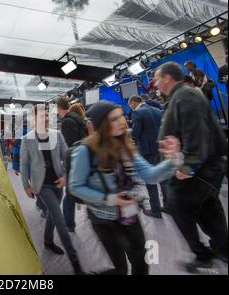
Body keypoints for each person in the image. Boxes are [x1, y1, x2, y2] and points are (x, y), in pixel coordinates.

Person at [68, 101, 182, 275]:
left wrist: (173, 160)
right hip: (104, 219)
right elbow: (75, 187)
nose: (122, 121)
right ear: (102, 125)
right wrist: (111, 199)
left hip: (130, 215)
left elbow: (150, 174)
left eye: (122, 115)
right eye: (114, 119)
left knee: (142, 264)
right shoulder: (85, 151)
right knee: (120, 269)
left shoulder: (125, 145)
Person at [155, 61, 228, 272]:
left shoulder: (185, 96)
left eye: (158, 78)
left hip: (199, 171)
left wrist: (185, 169)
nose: (156, 83)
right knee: (208, 208)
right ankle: (223, 248)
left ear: (168, 78)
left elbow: (197, 138)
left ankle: (202, 254)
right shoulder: (182, 96)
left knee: (177, 205)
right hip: (206, 170)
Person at [20, 104, 83, 274]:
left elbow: (66, 157)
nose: (46, 118)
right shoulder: (27, 138)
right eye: (42, 116)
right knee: (59, 219)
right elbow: (24, 163)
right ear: (34, 119)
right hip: (42, 186)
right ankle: (76, 264)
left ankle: (48, 242)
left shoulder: (57, 135)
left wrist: (65, 176)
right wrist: (26, 185)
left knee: (52, 216)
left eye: (47, 115)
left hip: (58, 183)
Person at [129, 95, 169, 218]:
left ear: (134, 103)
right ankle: (169, 206)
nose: (130, 108)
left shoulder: (137, 113)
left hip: (147, 151)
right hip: (160, 149)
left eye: (130, 105)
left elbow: (136, 133)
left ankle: (156, 210)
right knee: (163, 179)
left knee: (150, 181)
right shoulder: (157, 110)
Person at [57, 97, 88, 232]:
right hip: (83, 157)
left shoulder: (67, 122)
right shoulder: (78, 119)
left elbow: (68, 145)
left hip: (74, 160)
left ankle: (69, 224)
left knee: (69, 195)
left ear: (58, 108)